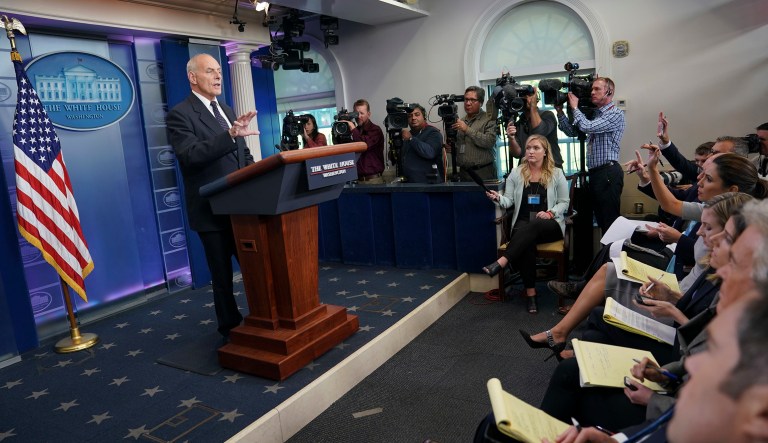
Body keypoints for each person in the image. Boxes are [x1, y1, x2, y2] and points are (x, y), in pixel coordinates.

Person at [166, 53, 258, 340]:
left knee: (255, 270)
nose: (219, 76)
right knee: (222, 278)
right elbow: (191, 155)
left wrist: (259, 171)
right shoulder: (180, 115)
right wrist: (230, 134)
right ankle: (230, 329)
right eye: (211, 71)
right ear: (193, 77)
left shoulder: (228, 110)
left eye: (219, 70)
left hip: (242, 207)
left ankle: (263, 319)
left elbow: (242, 153)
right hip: (211, 211)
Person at [482, 134, 569, 314]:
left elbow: (564, 202)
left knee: (533, 225)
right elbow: (508, 201)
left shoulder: (556, 173)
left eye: (536, 148)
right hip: (523, 223)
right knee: (526, 241)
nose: (530, 151)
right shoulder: (517, 172)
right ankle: (531, 294)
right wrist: (498, 198)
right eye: (528, 148)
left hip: (549, 224)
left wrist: (551, 212)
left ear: (545, 152)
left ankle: (502, 262)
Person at [557, 77, 625, 232]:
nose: (592, 92)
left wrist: (575, 108)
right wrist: (560, 111)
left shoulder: (615, 113)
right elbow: (573, 131)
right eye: (591, 89)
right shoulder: (595, 114)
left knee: (610, 224)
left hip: (608, 173)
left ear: (609, 91)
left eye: (597, 89)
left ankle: (610, 255)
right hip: (597, 174)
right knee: (602, 223)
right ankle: (605, 255)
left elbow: (587, 127)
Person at [506, 86, 563, 168]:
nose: (526, 100)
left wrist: (533, 106)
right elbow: (517, 154)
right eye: (523, 98)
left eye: (529, 96)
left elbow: (539, 132)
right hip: (528, 169)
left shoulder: (547, 115)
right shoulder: (519, 123)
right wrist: (511, 139)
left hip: (550, 168)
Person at [454, 86, 500, 181]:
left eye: (472, 100)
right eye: (466, 100)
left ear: (481, 102)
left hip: (483, 171)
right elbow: (462, 145)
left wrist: (467, 129)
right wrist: (453, 147)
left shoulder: (489, 119)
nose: (468, 103)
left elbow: (489, 141)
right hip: (464, 173)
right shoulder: (460, 121)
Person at [399, 104, 444, 183]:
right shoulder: (407, 135)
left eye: (417, 115)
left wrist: (411, 139)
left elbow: (430, 153)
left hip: (429, 185)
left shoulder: (433, 133)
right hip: (409, 184)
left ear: (424, 116)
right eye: (410, 116)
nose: (413, 118)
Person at [347, 99, 385, 184]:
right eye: (356, 113)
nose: (359, 116)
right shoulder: (354, 131)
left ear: (369, 114)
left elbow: (363, 145)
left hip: (373, 180)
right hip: (357, 180)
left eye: (362, 113)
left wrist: (352, 128)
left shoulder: (375, 130)